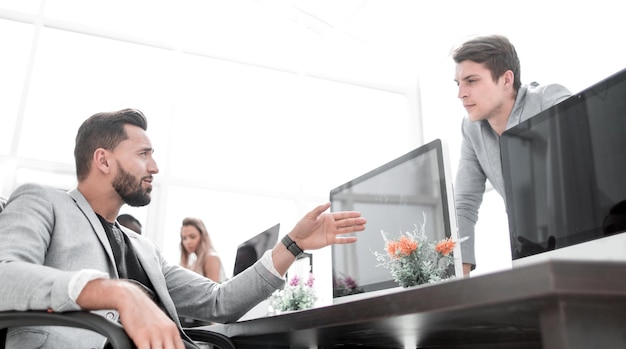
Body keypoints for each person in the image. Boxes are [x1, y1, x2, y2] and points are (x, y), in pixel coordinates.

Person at [0, 108, 367, 349]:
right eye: (144, 154)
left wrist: (293, 244)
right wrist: (118, 294)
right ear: (103, 160)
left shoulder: (142, 248)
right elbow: (4, 278)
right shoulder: (43, 201)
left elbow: (220, 302)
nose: (155, 166)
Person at [451, 35, 572, 276]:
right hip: (529, 246)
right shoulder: (472, 129)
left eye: (471, 81)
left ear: (507, 79)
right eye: (458, 84)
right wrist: (458, 281)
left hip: (587, 234)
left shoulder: (547, 100)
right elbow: (464, 205)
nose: (461, 94)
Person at [179, 217, 226, 282]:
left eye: (192, 237)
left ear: (202, 236)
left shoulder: (211, 257)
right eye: (184, 238)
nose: (188, 242)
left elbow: (213, 290)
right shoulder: (193, 262)